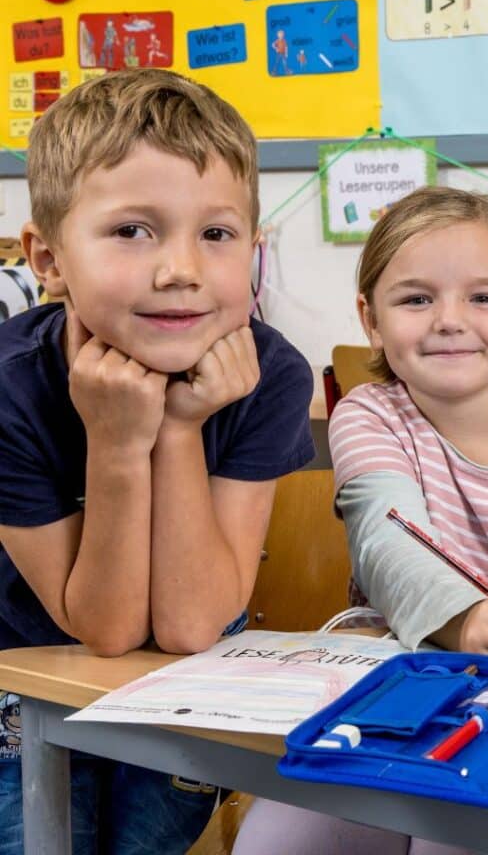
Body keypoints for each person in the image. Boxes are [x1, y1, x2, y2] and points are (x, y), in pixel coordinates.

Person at [233, 185, 488, 854]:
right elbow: (385, 541)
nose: (450, 320)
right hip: (393, 699)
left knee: (453, 840)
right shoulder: (369, 415)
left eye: (483, 298)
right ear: (371, 319)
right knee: (273, 842)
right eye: (416, 299)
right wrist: (464, 621)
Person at [0, 68, 316, 854]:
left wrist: (179, 428)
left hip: (185, 681)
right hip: (24, 689)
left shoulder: (271, 376)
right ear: (48, 257)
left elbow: (191, 625)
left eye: (217, 234)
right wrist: (114, 443)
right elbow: (104, 630)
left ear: (253, 250)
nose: (181, 269)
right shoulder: (8, 388)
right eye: (133, 231)